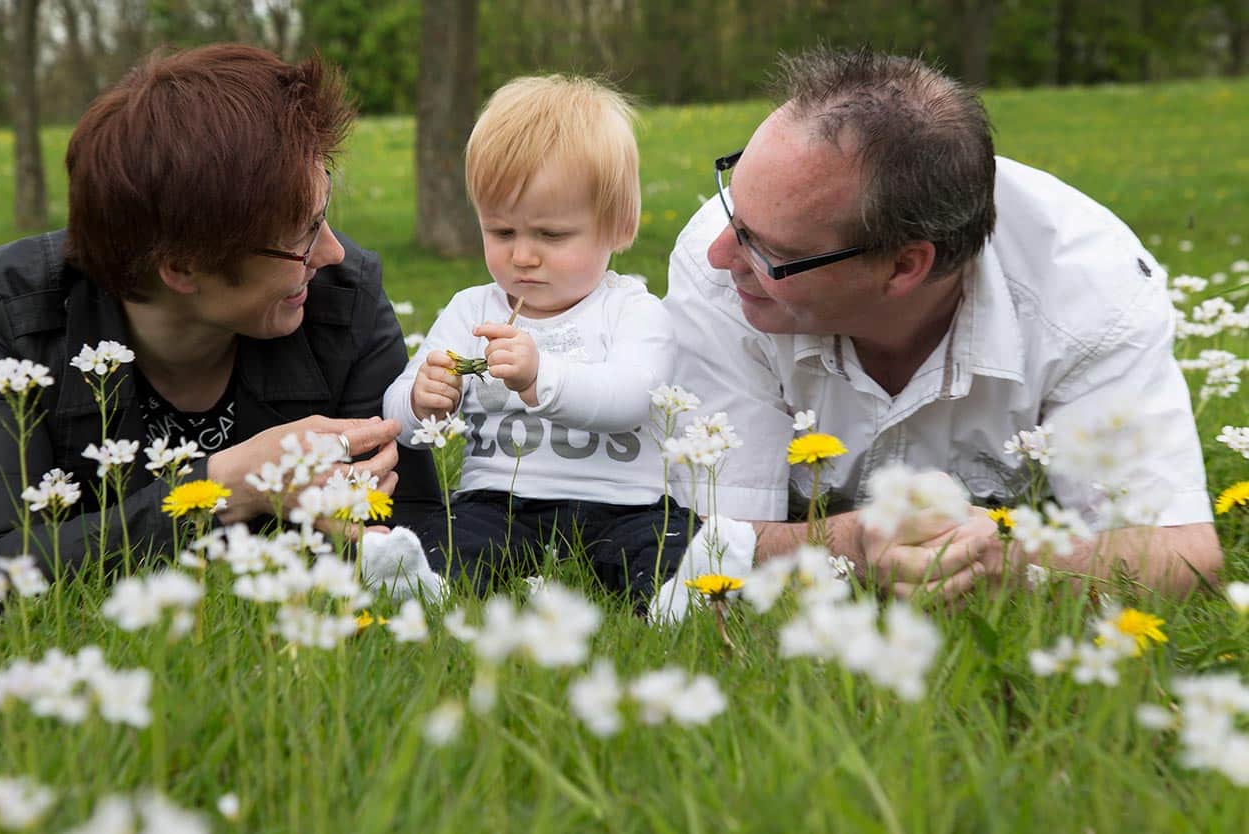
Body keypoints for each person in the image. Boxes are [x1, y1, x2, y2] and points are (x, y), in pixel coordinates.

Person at [664, 47, 1222, 596]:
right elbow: (701, 543)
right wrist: (848, 548)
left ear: (904, 266)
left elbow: (1181, 554)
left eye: (769, 250)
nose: (720, 254)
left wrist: (1004, 559)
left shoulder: (1087, 292)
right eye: (732, 207)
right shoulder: (719, 279)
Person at [0, 44, 438, 593]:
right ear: (182, 267)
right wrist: (228, 486)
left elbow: (413, 534)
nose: (332, 253)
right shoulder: (12, 310)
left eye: (322, 213)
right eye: (303, 235)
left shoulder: (342, 294)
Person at [382, 75, 703, 602]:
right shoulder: (472, 309)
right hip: (499, 502)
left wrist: (540, 377)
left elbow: (631, 398)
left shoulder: (634, 311)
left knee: (660, 544)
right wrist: (423, 400)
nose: (523, 255)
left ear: (619, 228)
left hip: (625, 503)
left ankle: (675, 596)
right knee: (460, 538)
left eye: (551, 235)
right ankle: (428, 582)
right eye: (501, 232)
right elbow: (399, 413)